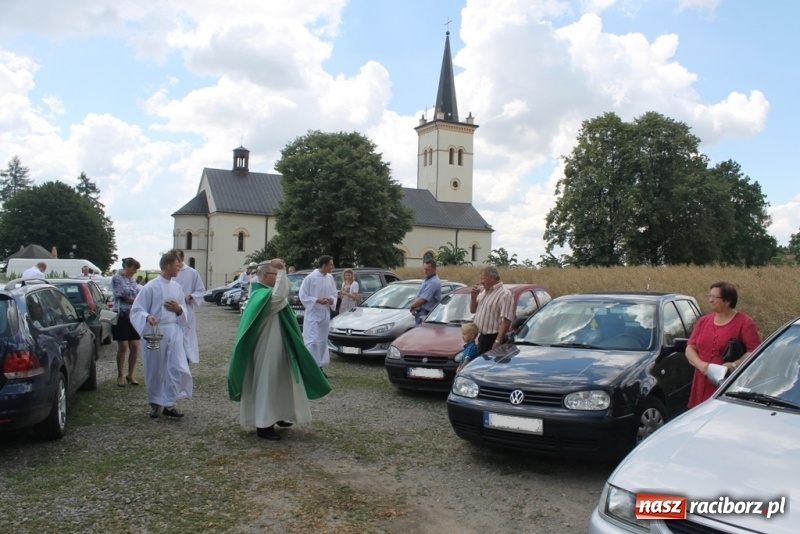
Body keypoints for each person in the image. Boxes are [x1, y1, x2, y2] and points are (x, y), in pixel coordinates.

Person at [228, 259, 331, 440]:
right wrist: (282, 270)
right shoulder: (263, 296)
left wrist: (275, 268)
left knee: (281, 381)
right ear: (266, 276)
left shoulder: (261, 290)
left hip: (279, 346)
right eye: (275, 276)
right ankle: (264, 424)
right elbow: (279, 296)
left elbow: (282, 289)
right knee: (268, 383)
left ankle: (279, 415)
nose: (278, 279)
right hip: (266, 349)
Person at [130, 251, 193, 419]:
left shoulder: (176, 287)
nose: (179, 269)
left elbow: (183, 309)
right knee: (155, 368)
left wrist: (178, 309)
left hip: (173, 330)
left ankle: (170, 403)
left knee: (175, 367)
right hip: (155, 332)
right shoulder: (150, 287)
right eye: (177, 266)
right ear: (167, 266)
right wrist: (147, 317)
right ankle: (155, 403)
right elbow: (137, 309)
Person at [686, 281, 761, 408]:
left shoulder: (745, 323)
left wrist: (733, 365)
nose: (710, 300)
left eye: (715, 297)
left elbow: (756, 352)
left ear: (727, 301)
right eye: (709, 296)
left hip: (727, 384)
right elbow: (690, 348)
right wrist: (702, 366)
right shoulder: (703, 321)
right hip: (700, 384)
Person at [299, 255, 337, 371]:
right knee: (312, 340)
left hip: (325, 313)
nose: (332, 266)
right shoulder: (310, 278)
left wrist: (331, 300)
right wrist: (316, 300)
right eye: (330, 264)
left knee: (322, 340)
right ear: (324, 265)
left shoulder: (330, 278)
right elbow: (303, 295)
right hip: (313, 313)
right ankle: (310, 366)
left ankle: (320, 365)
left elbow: (334, 293)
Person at [470, 265, 515, 354]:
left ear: (491, 278)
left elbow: (506, 321)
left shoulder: (504, 294)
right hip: (482, 338)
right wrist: (473, 297)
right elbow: (473, 310)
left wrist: (497, 341)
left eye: (483, 278)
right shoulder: (484, 292)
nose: (481, 282)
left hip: (493, 339)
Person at [171, 249, 206, 364]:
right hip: (171, 311)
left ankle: (185, 365)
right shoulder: (170, 272)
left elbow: (201, 290)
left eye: (177, 260)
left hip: (186, 310)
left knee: (185, 338)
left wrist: (190, 296)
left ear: (182, 259)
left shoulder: (192, 273)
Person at [112, 257, 142, 387]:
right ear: (127, 267)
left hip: (133, 316)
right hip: (122, 315)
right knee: (123, 346)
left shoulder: (133, 281)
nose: (135, 272)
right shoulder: (117, 278)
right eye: (134, 269)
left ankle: (131, 374)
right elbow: (119, 294)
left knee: (135, 346)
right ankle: (120, 374)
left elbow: (138, 294)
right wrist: (134, 300)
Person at [408, 259, 441, 325]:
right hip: (421, 311)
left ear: (434, 269)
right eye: (424, 269)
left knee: (421, 333)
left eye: (428, 269)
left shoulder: (433, 282)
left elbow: (422, 300)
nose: (425, 271)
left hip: (425, 312)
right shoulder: (428, 279)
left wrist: (412, 306)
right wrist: (415, 306)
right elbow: (419, 296)